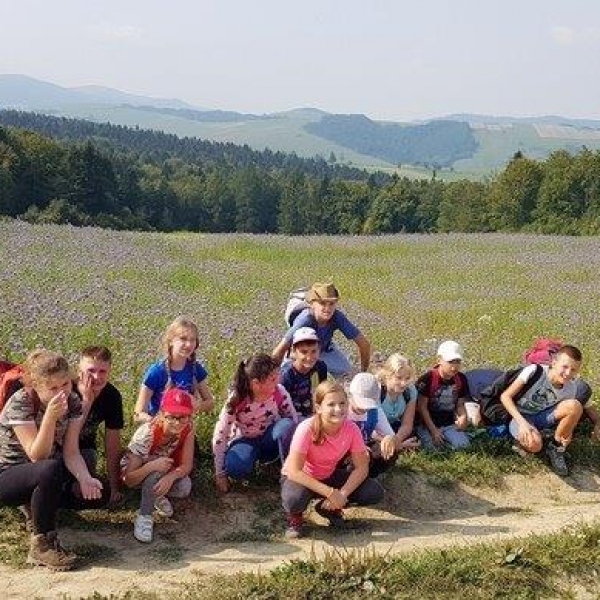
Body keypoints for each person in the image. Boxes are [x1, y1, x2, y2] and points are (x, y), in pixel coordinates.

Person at [0, 349, 103, 570]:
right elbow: (37, 455)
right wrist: (49, 417)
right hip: (9, 473)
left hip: (47, 469)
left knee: (98, 493)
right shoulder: (21, 402)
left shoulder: (73, 401)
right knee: (49, 468)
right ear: (36, 386)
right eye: (53, 388)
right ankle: (42, 543)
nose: (62, 392)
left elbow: (71, 452)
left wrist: (85, 478)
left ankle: (38, 506)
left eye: (65, 384)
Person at [281, 380, 384, 538]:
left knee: (373, 491)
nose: (338, 409)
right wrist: (330, 493)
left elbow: (362, 467)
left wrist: (342, 495)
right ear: (318, 408)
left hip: (328, 474)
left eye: (342, 403)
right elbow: (294, 471)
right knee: (294, 500)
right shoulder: (306, 429)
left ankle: (330, 509)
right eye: (331, 404)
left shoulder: (352, 429)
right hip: (302, 477)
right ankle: (295, 517)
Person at [212, 354, 298, 493]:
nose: (278, 380)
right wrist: (220, 473)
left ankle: (283, 465)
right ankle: (250, 461)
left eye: (277, 375)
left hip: (270, 438)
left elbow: (292, 419)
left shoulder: (279, 392)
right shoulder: (237, 399)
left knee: (287, 426)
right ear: (256, 384)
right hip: (245, 440)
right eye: (273, 379)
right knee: (235, 467)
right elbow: (221, 433)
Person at [500, 345, 586, 477]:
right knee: (535, 445)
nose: (568, 373)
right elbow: (505, 396)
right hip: (518, 415)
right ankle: (522, 440)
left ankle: (556, 447)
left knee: (575, 406)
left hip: (541, 416)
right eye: (565, 367)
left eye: (573, 370)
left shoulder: (571, 388)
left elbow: (566, 412)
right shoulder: (535, 371)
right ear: (554, 363)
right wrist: (522, 423)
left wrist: (568, 433)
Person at [122, 388, 195, 543]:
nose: (177, 422)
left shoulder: (188, 428)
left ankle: (155, 495)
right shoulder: (146, 434)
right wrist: (152, 466)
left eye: (183, 417)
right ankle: (144, 515)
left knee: (184, 486)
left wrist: (171, 477)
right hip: (138, 471)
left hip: (163, 466)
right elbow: (128, 479)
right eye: (172, 417)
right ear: (162, 414)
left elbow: (187, 465)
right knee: (155, 473)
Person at [272, 282, 371, 378]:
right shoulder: (304, 320)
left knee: (348, 374)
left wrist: (363, 372)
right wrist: (273, 375)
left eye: (331, 303)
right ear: (312, 304)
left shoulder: (337, 317)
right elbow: (280, 349)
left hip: (323, 348)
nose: (327, 308)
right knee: (285, 378)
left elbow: (364, 344)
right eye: (322, 303)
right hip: (300, 353)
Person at [135, 316, 214, 422]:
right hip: (159, 429)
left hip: (186, 428)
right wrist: (156, 423)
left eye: (192, 340)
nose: (188, 344)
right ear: (171, 341)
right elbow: (138, 414)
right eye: (183, 339)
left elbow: (210, 402)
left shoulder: (195, 368)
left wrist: (197, 406)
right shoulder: (156, 372)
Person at [76, 346, 124, 506]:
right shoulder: (67, 390)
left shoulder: (112, 396)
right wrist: (87, 401)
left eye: (102, 371)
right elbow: (65, 437)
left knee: (89, 460)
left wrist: (114, 487)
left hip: (85, 451)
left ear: (110, 371)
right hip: (58, 449)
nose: (97, 377)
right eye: (91, 370)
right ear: (79, 370)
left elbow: (112, 445)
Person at [347, 372, 420, 476]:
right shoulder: (342, 411)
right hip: (343, 449)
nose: (363, 408)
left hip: (362, 449)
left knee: (389, 451)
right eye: (360, 402)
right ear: (350, 395)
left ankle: (367, 475)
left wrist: (390, 440)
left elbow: (391, 435)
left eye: (368, 404)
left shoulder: (375, 411)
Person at [416, 341, 470, 450]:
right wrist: (433, 430)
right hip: (426, 424)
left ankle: (449, 439)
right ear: (439, 360)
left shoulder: (461, 379)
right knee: (433, 449)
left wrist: (463, 416)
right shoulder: (427, 379)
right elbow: (422, 407)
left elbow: (460, 404)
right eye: (450, 362)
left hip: (448, 422)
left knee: (463, 446)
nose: (454, 366)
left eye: (458, 362)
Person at [279, 327, 328, 418]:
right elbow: (280, 404)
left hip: (309, 408)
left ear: (319, 350)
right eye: (304, 352)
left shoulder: (320, 366)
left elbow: (323, 392)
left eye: (314, 351)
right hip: (289, 414)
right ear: (294, 351)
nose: (309, 357)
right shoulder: (287, 375)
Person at [376, 353, 419, 442]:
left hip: (394, 426)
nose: (403, 383)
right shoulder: (377, 390)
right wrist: (389, 443)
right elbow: (370, 425)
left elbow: (407, 424)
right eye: (398, 378)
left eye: (407, 378)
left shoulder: (410, 390)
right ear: (387, 375)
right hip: (376, 430)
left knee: (415, 440)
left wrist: (397, 440)